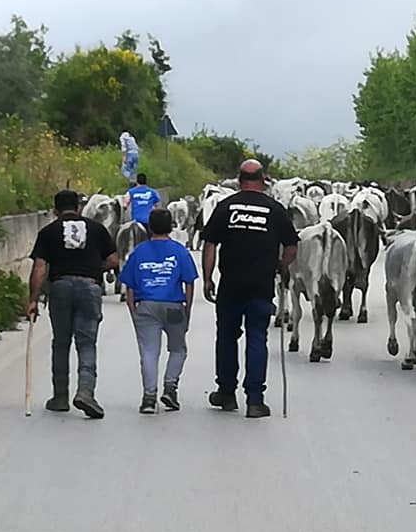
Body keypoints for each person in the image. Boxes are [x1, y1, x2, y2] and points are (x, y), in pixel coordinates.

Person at [202, 159, 298, 418]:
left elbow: (210, 244)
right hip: (261, 286)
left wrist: (208, 278)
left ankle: (226, 392)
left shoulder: (225, 207)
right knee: (257, 339)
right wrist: (280, 265)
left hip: (230, 285)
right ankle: (255, 401)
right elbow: (291, 245)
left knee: (226, 337)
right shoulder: (275, 209)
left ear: (239, 179)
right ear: (263, 179)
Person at [26, 189, 118, 419]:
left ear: (55, 211)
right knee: (86, 344)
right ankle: (86, 392)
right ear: (78, 208)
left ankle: (60, 397)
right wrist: (95, 270)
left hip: (60, 287)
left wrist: (32, 300)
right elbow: (114, 260)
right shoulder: (97, 229)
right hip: (89, 288)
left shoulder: (48, 232)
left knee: (61, 343)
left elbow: (39, 269)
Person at [119, 208, 198, 414]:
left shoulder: (138, 252)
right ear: (171, 226)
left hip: (146, 306)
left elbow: (130, 287)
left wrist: (133, 311)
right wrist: (187, 310)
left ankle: (149, 398)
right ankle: (170, 388)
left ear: (150, 228)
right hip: (174, 306)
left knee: (149, 352)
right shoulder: (180, 251)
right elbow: (189, 283)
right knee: (178, 349)